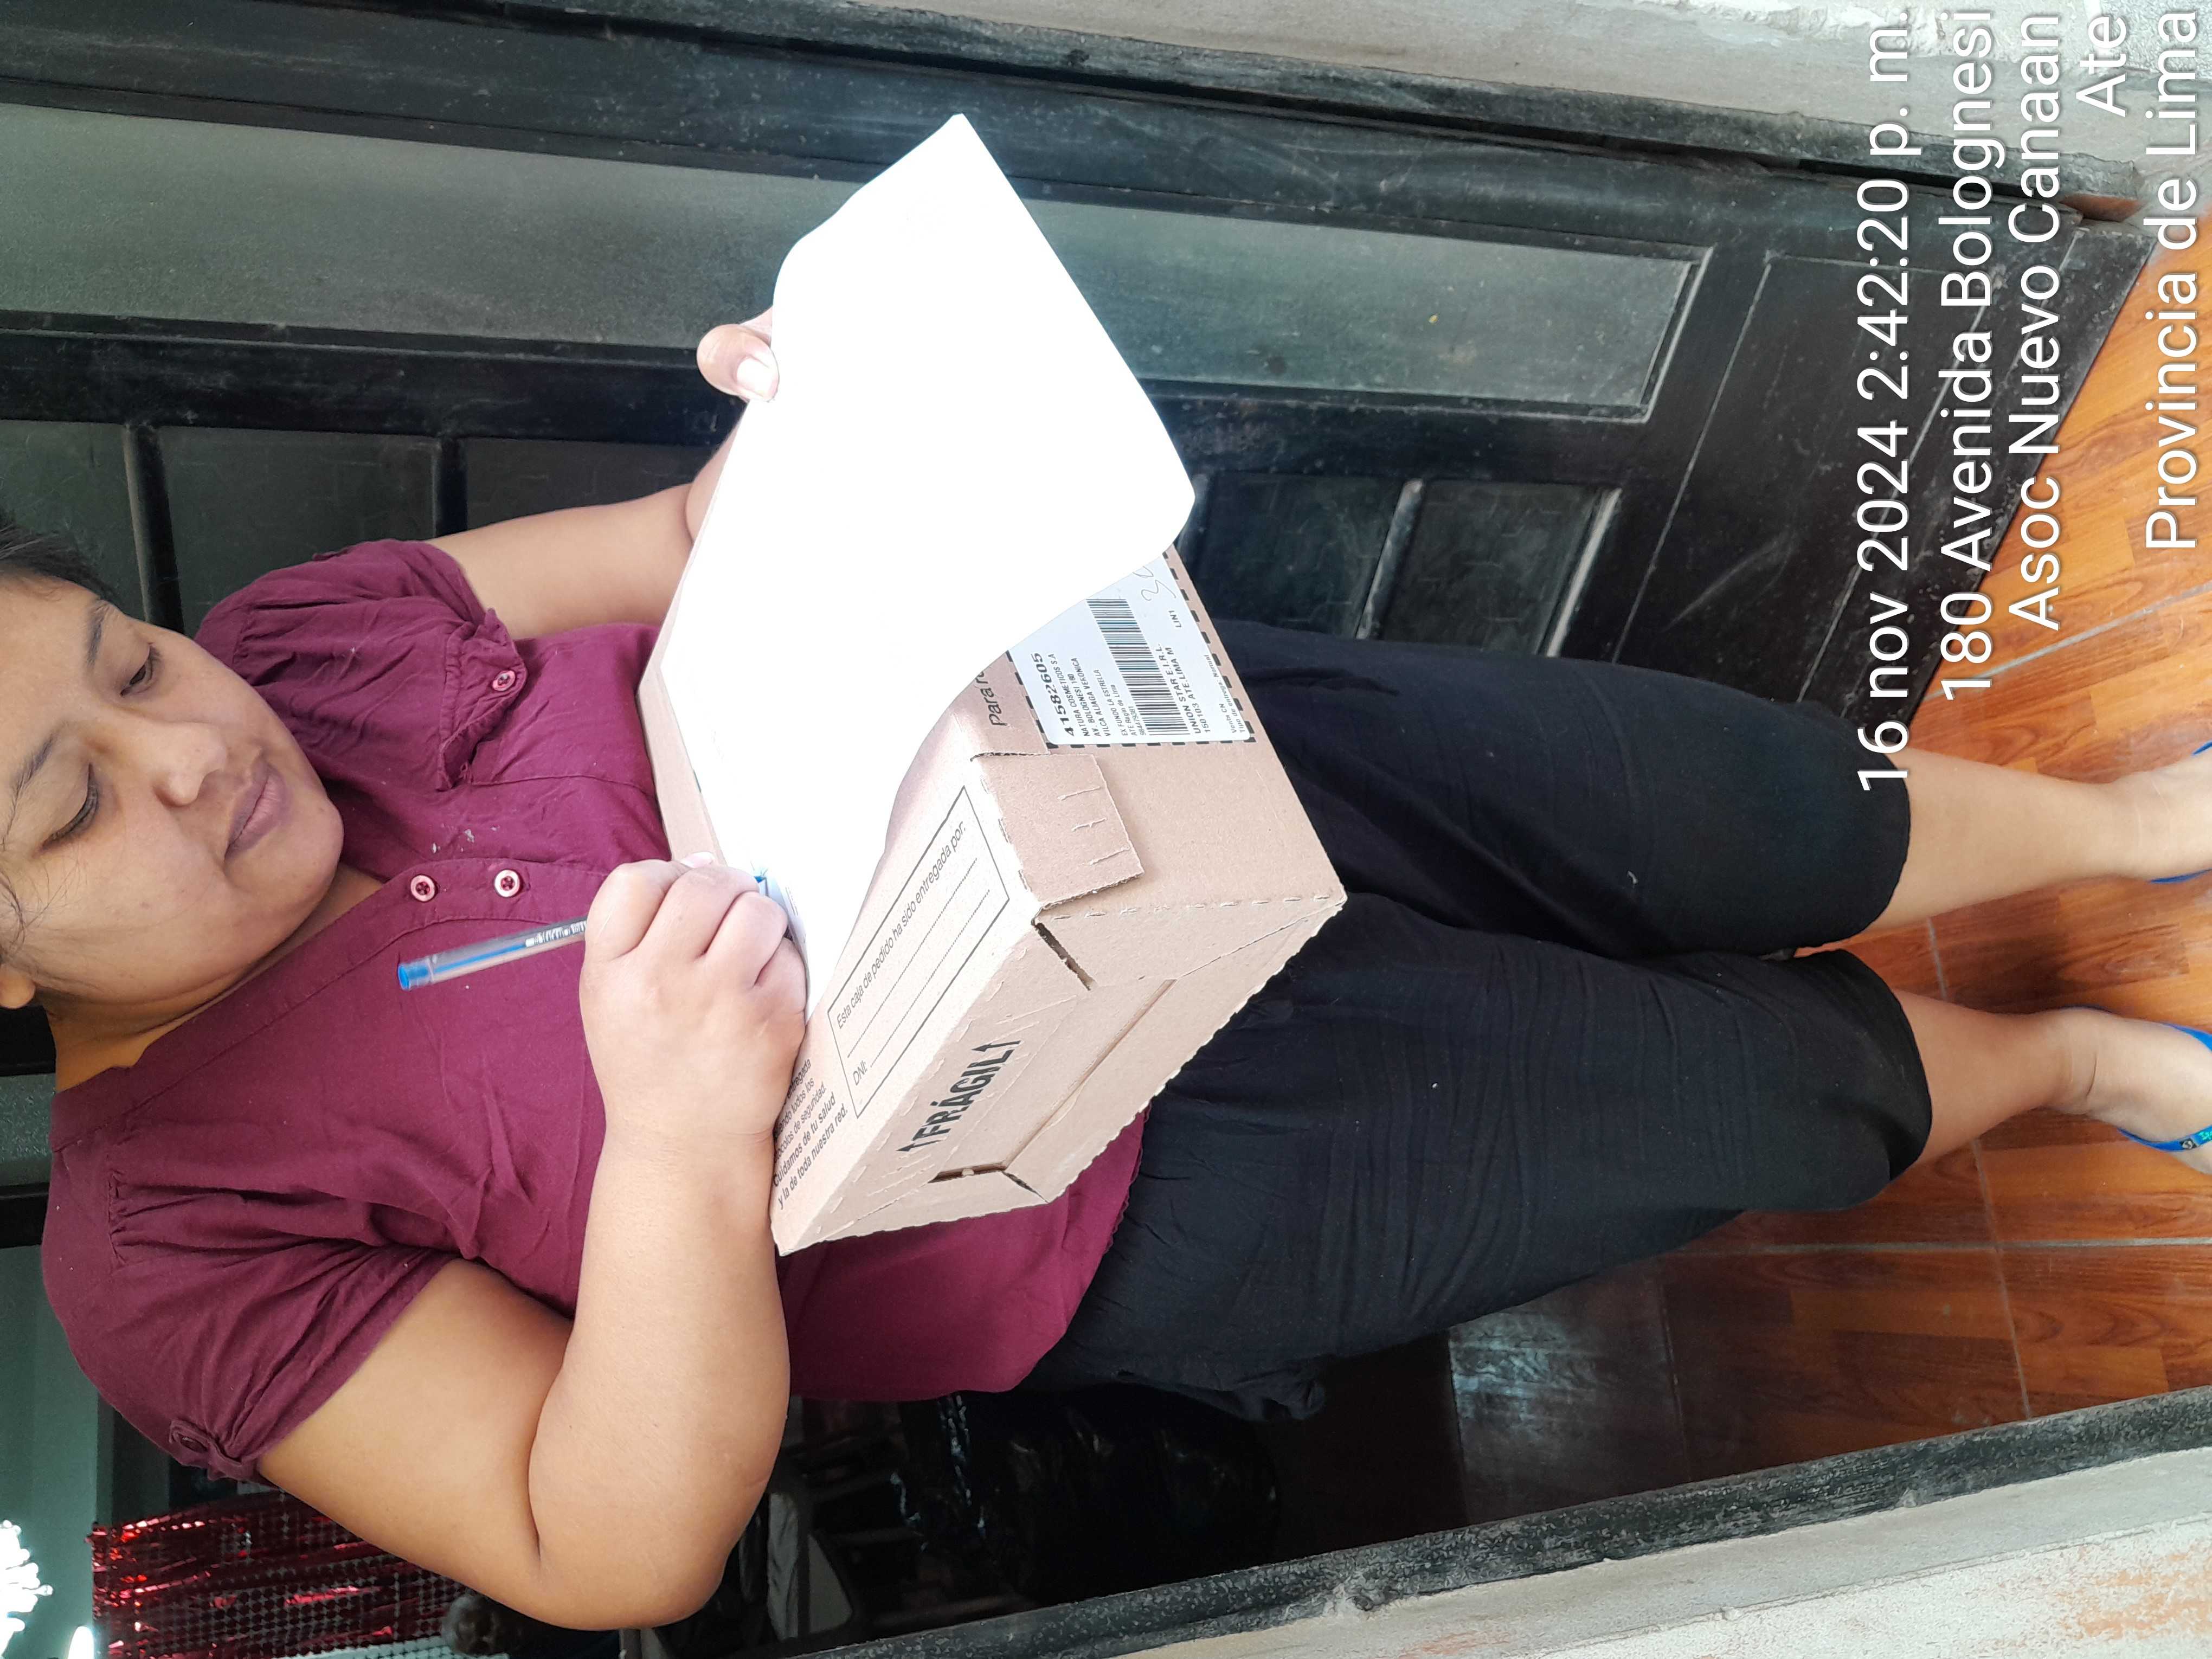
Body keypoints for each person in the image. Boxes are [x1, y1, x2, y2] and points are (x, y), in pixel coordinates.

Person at [12, 311, 2212, 1631]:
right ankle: (2085, 1061)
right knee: (1736, 1100)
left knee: (1719, 803)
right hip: (1123, 1185)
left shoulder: (309, 637)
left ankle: (2132, 828)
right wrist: (681, 1138)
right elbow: (595, 1541)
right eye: (68, 802)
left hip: (1149, 771)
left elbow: (692, 547)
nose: (193, 749)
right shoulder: (170, 1241)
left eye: (128, 659)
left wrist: (811, 416)